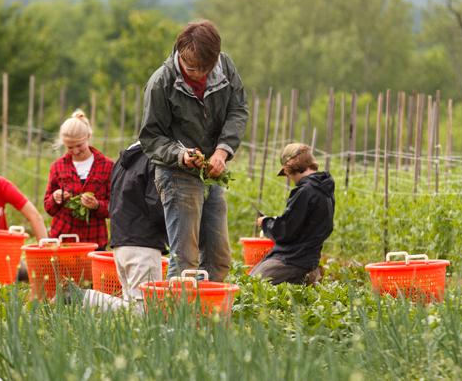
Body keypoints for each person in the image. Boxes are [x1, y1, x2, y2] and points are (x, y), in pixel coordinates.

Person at [139, 19, 248, 282]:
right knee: (186, 257)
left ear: (214, 59)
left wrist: (222, 151)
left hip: (211, 171)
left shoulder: (226, 68)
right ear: (179, 54)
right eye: (191, 67)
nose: (197, 73)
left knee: (219, 255)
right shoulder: (161, 83)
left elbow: (238, 110)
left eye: (204, 68)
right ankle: (179, 317)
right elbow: (150, 137)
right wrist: (180, 155)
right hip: (176, 174)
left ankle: (210, 315)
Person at [78, 141, 168, 311]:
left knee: (132, 313)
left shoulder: (124, 159)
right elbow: (157, 207)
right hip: (143, 244)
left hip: (121, 244)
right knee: (145, 312)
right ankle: (85, 297)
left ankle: (86, 297)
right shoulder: (153, 159)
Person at [251, 143, 335, 285]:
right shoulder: (324, 189)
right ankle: (308, 278)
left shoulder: (305, 192)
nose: (288, 178)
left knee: (252, 284)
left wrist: (265, 223)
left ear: (289, 167)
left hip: (292, 259)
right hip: (309, 258)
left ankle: (301, 278)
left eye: (287, 173)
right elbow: (302, 224)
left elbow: (285, 230)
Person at [44, 109, 113, 250]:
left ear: (88, 136)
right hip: (63, 239)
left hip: (94, 240)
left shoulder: (107, 166)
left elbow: (115, 208)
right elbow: (48, 207)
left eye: (79, 145)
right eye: (70, 147)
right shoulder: (58, 167)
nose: (75, 151)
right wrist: (56, 198)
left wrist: (96, 205)